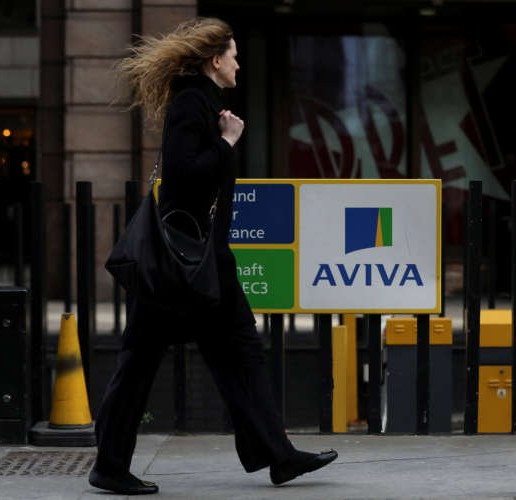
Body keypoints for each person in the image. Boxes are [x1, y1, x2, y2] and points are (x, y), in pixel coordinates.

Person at [88, 18, 337, 495]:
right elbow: (184, 176)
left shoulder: (203, 102)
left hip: (201, 267)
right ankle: (109, 465)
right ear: (215, 60)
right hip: (182, 269)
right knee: (140, 365)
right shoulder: (191, 104)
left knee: (241, 355)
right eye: (235, 55)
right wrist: (226, 143)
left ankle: (277, 455)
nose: (240, 64)